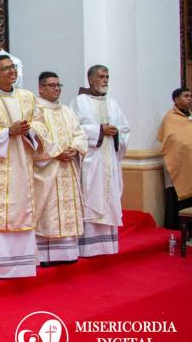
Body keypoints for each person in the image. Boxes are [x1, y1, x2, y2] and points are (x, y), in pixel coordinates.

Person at [0, 55, 48, 278]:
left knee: (20, 211)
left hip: (21, 165)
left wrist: (29, 131)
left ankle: (21, 265)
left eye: (13, 68)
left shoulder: (27, 98)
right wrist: (7, 132)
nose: (11, 72)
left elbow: (42, 127)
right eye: (5, 69)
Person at [70, 65, 130, 257]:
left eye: (107, 77)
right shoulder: (79, 102)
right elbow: (74, 128)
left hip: (109, 159)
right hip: (90, 160)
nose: (105, 80)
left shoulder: (112, 103)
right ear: (90, 80)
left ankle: (107, 246)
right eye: (101, 77)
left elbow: (125, 128)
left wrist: (117, 132)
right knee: (90, 198)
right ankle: (88, 247)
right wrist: (98, 130)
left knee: (109, 198)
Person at [33, 72, 88, 265]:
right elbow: (37, 138)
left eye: (58, 85)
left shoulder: (66, 110)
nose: (56, 89)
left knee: (67, 209)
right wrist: (57, 152)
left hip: (68, 167)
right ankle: (45, 255)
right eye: (51, 85)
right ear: (40, 88)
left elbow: (78, 133)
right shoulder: (35, 109)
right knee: (48, 210)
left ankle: (66, 253)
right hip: (48, 168)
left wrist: (75, 148)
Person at [158, 87, 192, 201]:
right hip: (177, 163)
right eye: (186, 96)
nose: (190, 99)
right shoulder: (170, 118)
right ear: (176, 100)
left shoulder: (190, 116)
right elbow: (172, 141)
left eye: (191, 96)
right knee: (175, 198)